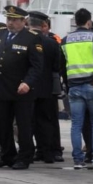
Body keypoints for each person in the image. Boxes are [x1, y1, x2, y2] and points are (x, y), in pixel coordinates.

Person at [60, 8, 93, 168]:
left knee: (76, 124)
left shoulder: (65, 40)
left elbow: (62, 66)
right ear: (88, 22)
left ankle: (77, 159)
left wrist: (68, 85)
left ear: (75, 21)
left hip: (74, 87)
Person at [0, 5, 44, 170]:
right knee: (3, 124)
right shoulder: (2, 34)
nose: (10, 23)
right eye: (8, 19)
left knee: (24, 125)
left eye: (14, 20)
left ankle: (24, 157)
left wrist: (28, 82)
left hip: (21, 89)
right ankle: (7, 155)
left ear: (23, 21)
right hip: (2, 88)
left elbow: (37, 66)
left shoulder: (31, 38)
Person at [27, 11, 61, 164]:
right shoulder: (52, 43)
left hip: (28, 86)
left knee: (30, 121)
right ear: (43, 25)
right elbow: (58, 65)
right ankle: (48, 153)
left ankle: (35, 151)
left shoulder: (25, 40)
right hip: (47, 87)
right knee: (46, 121)